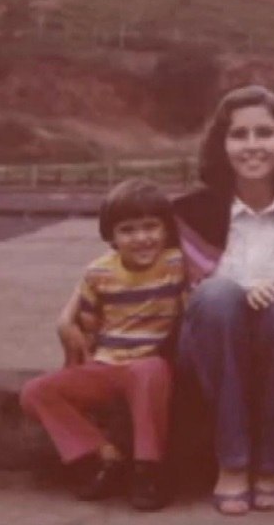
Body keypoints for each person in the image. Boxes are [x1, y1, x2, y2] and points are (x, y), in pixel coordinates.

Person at [172, 84, 274, 515]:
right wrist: (74, 310)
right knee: (217, 294)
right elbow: (129, 262)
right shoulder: (186, 212)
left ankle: (271, 460)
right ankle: (234, 460)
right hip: (212, 344)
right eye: (239, 134)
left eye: (265, 133)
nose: (252, 145)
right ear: (221, 146)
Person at [20, 178, 184, 511]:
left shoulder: (177, 263)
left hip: (148, 366)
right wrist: (75, 354)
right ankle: (103, 455)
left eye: (151, 227)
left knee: (150, 370)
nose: (141, 238)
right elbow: (88, 326)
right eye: (128, 230)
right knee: (35, 392)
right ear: (111, 236)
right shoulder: (98, 273)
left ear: (166, 229)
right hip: (106, 364)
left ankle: (148, 468)